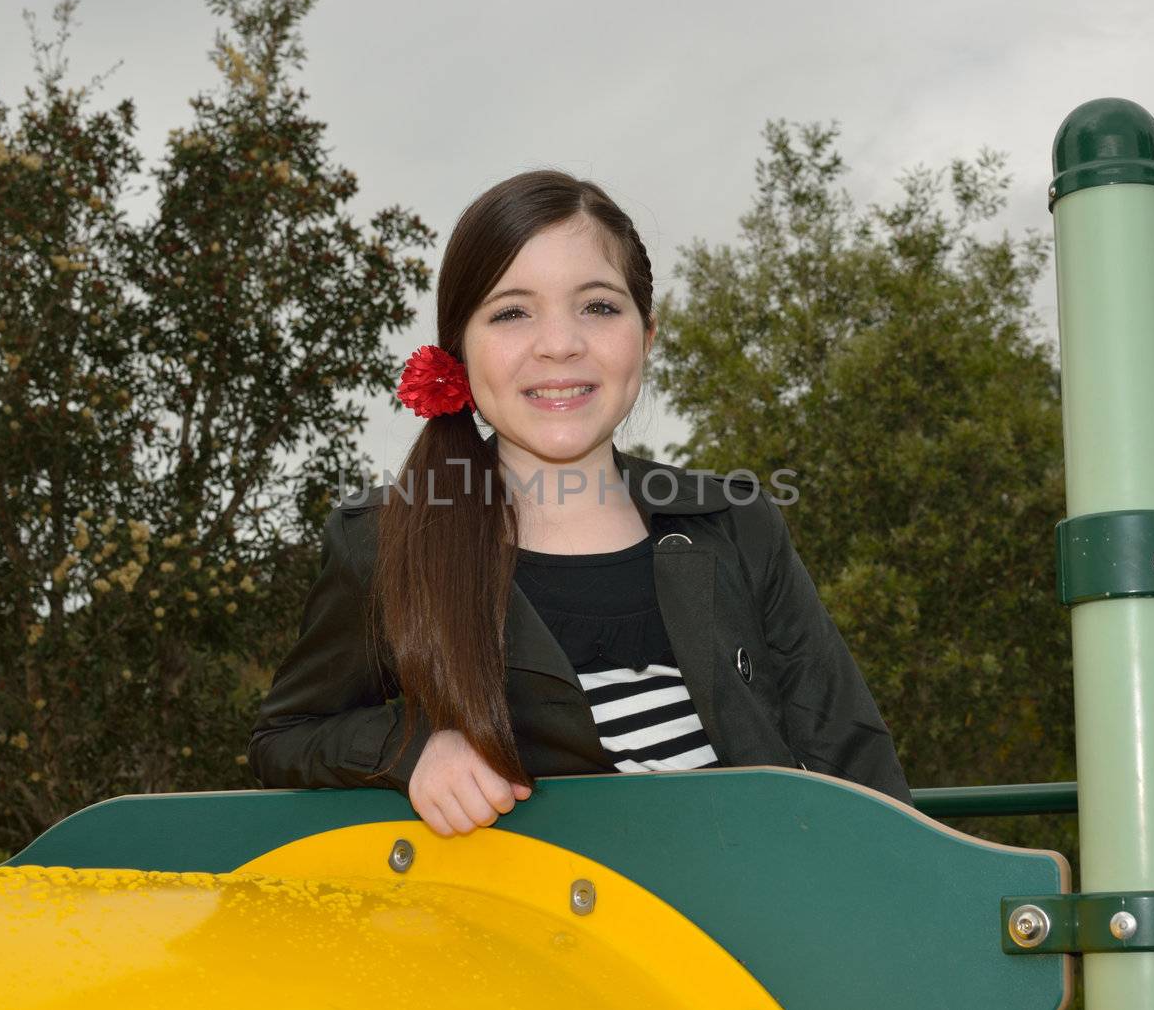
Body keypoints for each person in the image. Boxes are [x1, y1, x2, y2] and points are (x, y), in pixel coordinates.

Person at [248, 170, 909, 836]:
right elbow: (287, 736)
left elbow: (852, 760)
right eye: (511, 312)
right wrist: (413, 750)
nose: (559, 343)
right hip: (541, 932)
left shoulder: (735, 524)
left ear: (646, 335)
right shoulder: (386, 543)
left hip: (752, 923)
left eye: (597, 306)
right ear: (460, 352)